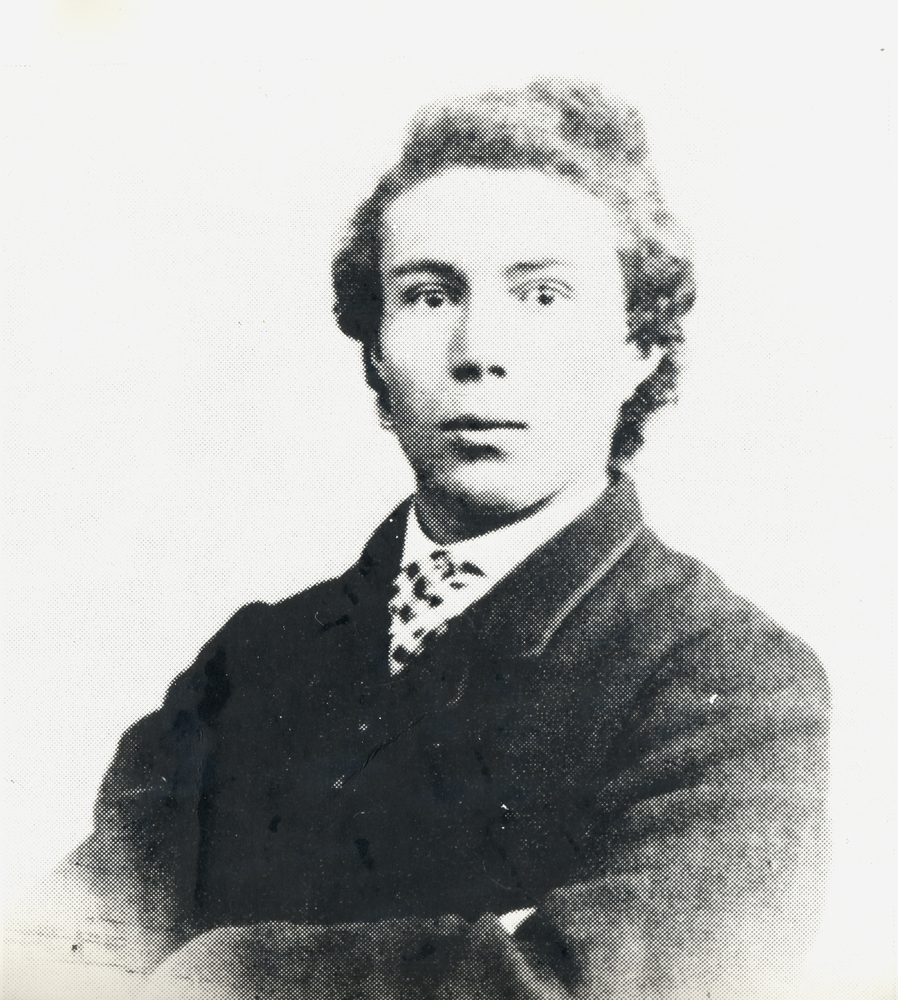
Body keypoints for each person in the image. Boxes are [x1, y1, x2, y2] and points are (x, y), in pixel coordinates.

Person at [42, 78, 830, 998]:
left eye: (543, 295)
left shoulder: (730, 679)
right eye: (428, 295)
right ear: (376, 355)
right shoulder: (252, 662)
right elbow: (58, 959)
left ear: (638, 348)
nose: (478, 349)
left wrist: (212, 971)